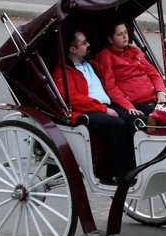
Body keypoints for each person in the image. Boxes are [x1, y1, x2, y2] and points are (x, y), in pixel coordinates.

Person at [52, 30, 137, 182]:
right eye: (84, 43)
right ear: (73, 49)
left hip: (107, 105)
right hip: (87, 111)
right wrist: (103, 109)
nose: (88, 45)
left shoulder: (92, 64)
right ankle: (119, 173)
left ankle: (135, 165)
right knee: (116, 124)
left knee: (135, 119)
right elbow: (73, 98)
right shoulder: (63, 72)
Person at [92, 21, 166, 117]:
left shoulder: (134, 50)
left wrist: (161, 92)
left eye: (125, 32)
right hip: (137, 102)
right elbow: (110, 86)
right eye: (120, 34)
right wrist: (128, 106)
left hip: (156, 96)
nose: (124, 36)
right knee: (164, 117)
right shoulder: (106, 56)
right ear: (110, 39)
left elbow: (154, 74)